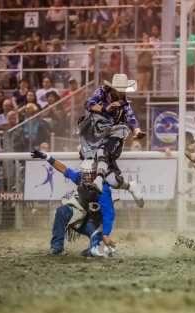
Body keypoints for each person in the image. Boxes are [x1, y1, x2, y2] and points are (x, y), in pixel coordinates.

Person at [31, 149, 116, 257]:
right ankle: (57, 248)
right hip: (79, 217)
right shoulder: (80, 178)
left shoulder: (103, 189)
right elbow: (65, 170)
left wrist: (106, 233)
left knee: (95, 252)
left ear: (96, 173)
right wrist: (48, 157)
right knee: (62, 211)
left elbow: (109, 214)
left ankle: (91, 250)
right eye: (85, 174)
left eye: (90, 174)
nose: (87, 177)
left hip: (94, 223)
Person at [81, 73, 144, 207]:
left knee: (105, 148)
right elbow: (89, 104)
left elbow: (131, 119)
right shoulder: (102, 92)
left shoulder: (124, 104)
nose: (122, 93)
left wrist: (137, 131)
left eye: (124, 90)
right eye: (119, 89)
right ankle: (130, 186)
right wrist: (105, 109)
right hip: (96, 133)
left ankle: (98, 179)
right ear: (113, 88)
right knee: (112, 180)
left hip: (114, 136)